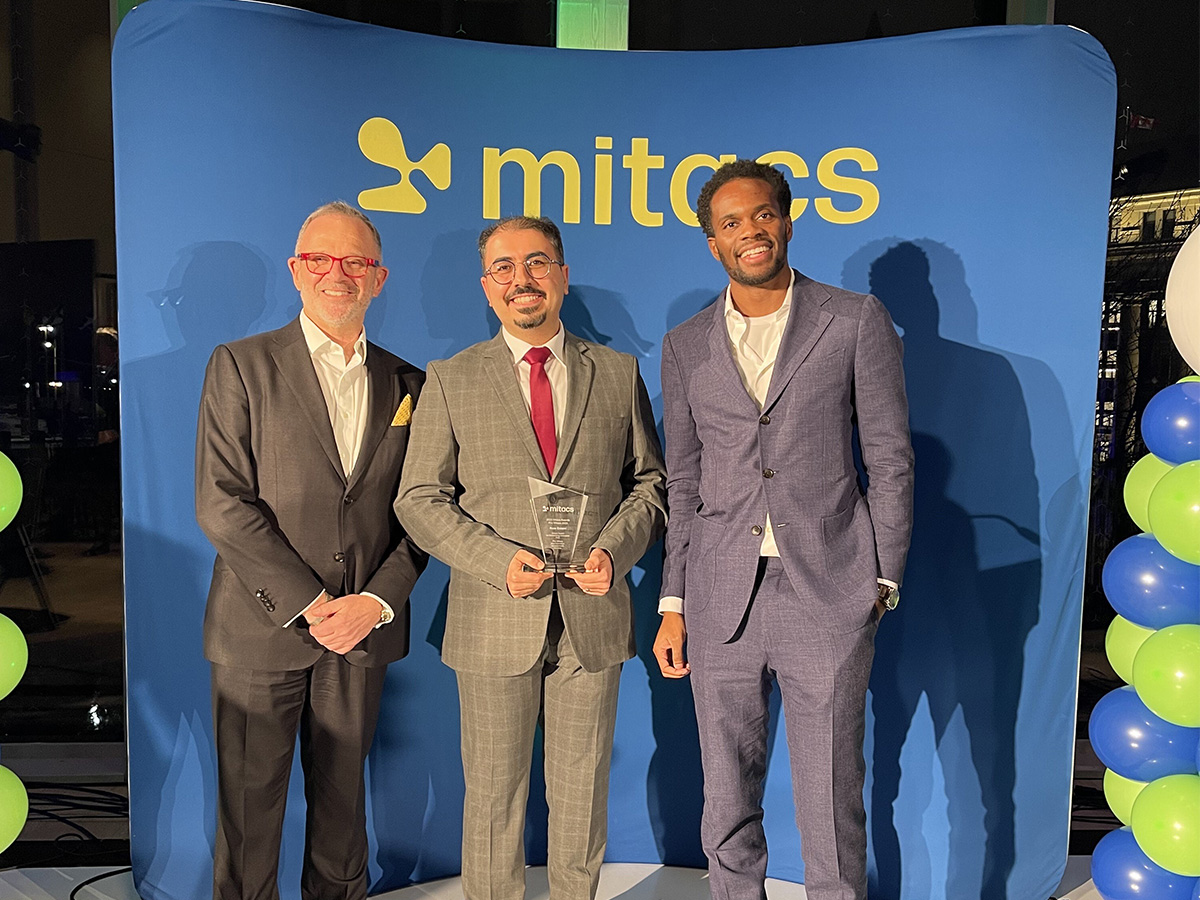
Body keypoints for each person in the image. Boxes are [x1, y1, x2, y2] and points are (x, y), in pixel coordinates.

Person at [652, 160, 914, 900]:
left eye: (762, 215)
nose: (750, 232)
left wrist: (882, 580)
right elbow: (685, 483)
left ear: (788, 221)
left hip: (828, 592)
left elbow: (891, 458)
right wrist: (673, 603)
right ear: (712, 244)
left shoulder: (854, 319)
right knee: (727, 799)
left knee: (831, 798)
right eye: (731, 223)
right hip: (718, 598)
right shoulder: (684, 345)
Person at [396, 215, 666, 900]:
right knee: (492, 797)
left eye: (539, 263)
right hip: (494, 614)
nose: (523, 279)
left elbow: (651, 486)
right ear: (487, 286)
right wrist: (493, 561)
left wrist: (613, 548)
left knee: (581, 792)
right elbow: (419, 499)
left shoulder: (617, 372)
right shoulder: (451, 379)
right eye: (506, 268)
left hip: (593, 615)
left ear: (563, 275)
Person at [195, 201, 427, 900]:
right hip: (259, 632)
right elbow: (222, 501)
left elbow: (423, 515)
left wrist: (375, 604)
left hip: (360, 636)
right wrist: (314, 603)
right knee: (248, 818)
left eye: (356, 262)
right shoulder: (239, 365)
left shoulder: (412, 384)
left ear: (378, 278)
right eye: (322, 259)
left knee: (343, 817)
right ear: (297, 271)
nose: (339, 273)